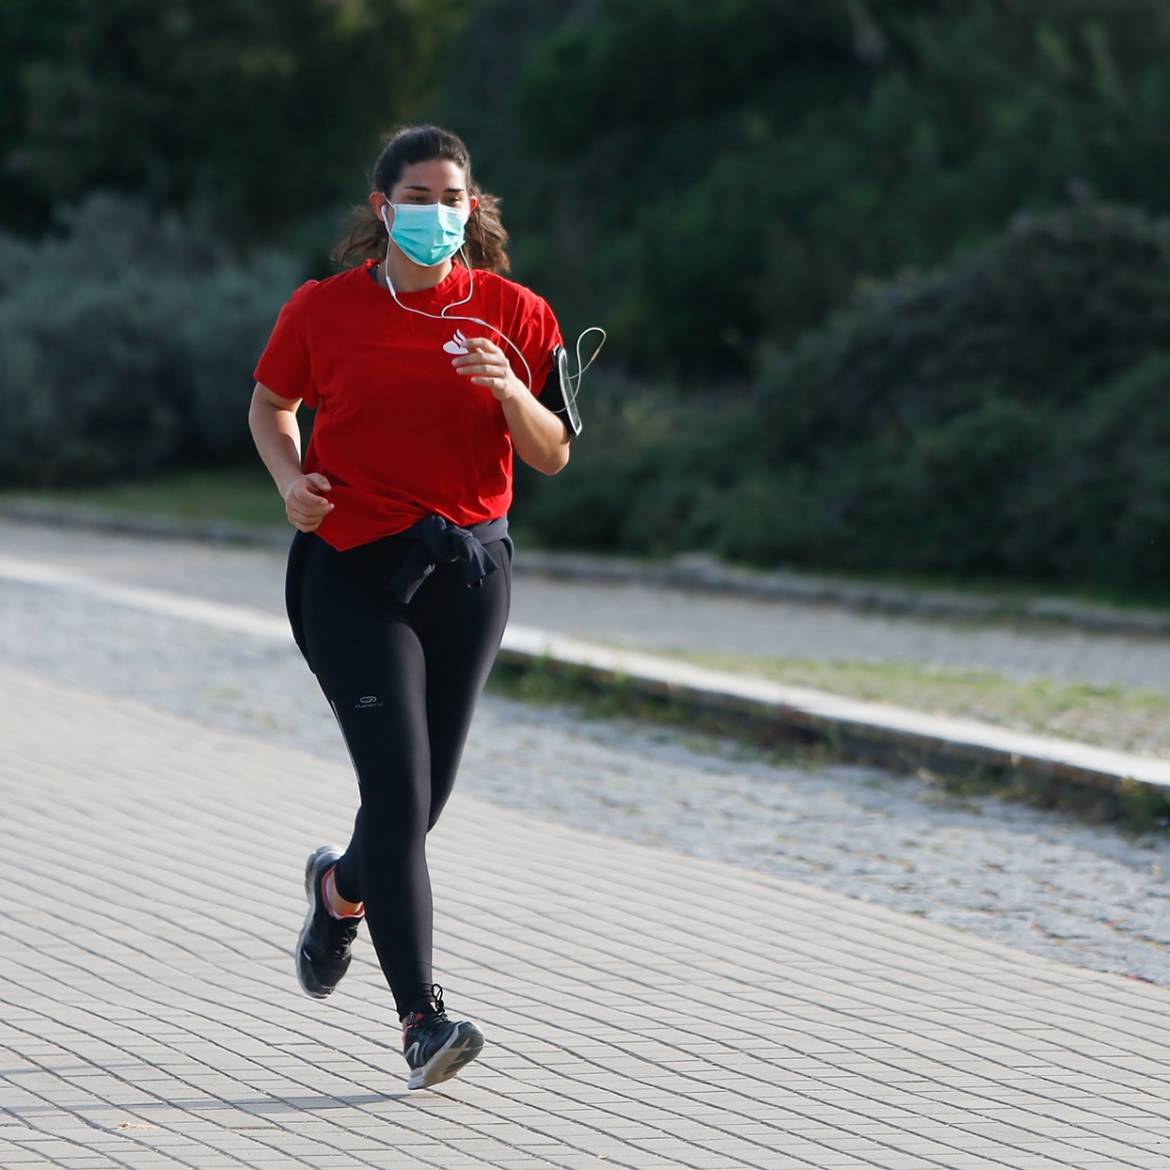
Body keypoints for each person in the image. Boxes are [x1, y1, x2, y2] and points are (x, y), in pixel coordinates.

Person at [247, 124, 576, 1090]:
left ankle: (338, 889)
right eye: (419, 196)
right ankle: (420, 1020)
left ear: (475, 208)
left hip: (469, 575)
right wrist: (291, 480)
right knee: (396, 794)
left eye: (454, 196)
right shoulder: (323, 309)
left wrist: (510, 388)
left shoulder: (519, 313)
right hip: (351, 570)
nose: (439, 212)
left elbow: (553, 452)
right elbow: (270, 406)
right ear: (383, 207)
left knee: (421, 806)